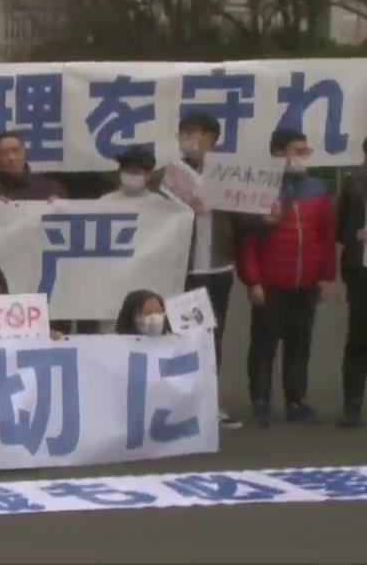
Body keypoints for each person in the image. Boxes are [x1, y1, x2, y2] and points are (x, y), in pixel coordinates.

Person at [150, 112, 249, 429]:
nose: (188, 138)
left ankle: (209, 403)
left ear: (211, 138)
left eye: (194, 132)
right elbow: (147, 214)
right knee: (181, 335)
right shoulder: (165, 175)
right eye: (183, 133)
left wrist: (267, 218)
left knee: (212, 336)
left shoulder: (229, 174)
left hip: (218, 267)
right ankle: (178, 403)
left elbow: (246, 221)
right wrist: (182, 208)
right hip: (184, 268)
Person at [238, 129, 336, 428]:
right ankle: (261, 401)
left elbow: (326, 237)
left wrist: (326, 276)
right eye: (297, 150)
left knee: (299, 344)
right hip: (270, 283)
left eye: (305, 151)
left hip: (305, 283)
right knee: (264, 345)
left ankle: (295, 401)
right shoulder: (258, 188)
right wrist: (253, 280)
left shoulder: (317, 188)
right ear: (278, 153)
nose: (302, 156)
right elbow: (248, 241)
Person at [335, 136, 367, 428]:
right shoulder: (353, 182)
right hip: (361, 271)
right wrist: (352, 236)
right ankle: (352, 404)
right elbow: (339, 225)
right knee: (358, 338)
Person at [0, 131, 66, 202]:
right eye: (4, 153)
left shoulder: (51, 189)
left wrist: (60, 209)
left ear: (24, 153)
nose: (12, 157)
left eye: (16, 151)